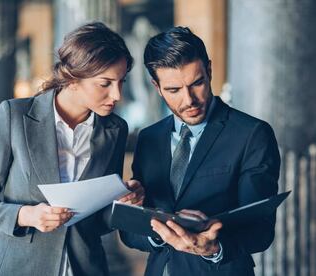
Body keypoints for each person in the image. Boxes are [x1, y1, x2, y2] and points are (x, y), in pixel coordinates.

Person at [0, 22, 144, 276]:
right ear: (73, 78)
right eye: (105, 83)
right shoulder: (15, 116)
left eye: (121, 81)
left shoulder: (115, 129)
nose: (117, 94)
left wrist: (123, 203)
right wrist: (26, 216)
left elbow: (98, 224)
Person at [120, 26, 280, 276]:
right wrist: (159, 235)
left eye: (197, 83)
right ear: (156, 86)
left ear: (209, 70)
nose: (189, 100)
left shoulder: (251, 134)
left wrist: (213, 248)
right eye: (174, 90)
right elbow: (130, 233)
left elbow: (261, 230)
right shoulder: (149, 139)